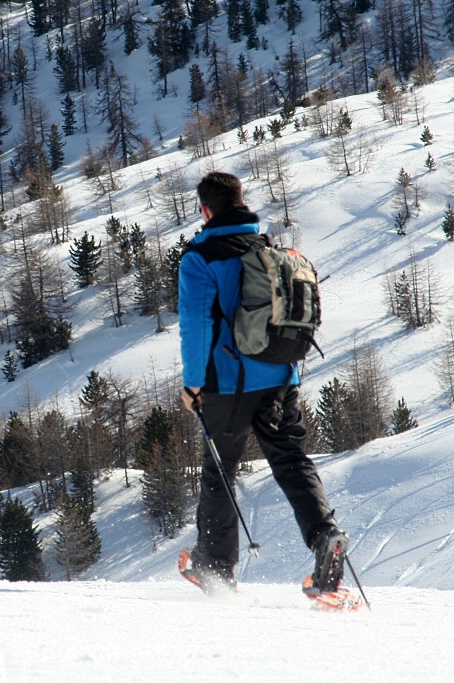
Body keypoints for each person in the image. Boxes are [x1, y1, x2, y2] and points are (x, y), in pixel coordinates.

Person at [176, 171, 348, 596]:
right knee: (291, 461)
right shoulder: (266, 249)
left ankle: (215, 567)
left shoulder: (200, 257)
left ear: (205, 209)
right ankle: (326, 537)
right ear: (240, 202)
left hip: (227, 385)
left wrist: (193, 385)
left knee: (220, 471)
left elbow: (195, 326)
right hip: (281, 376)